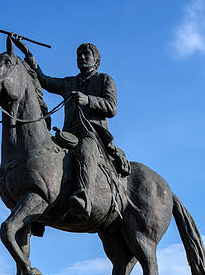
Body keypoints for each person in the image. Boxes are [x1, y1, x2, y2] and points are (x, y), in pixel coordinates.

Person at [11, 37, 124, 219]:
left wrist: (88, 100)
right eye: (79, 54)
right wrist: (27, 53)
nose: (81, 57)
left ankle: (83, 195)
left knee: (85, 150)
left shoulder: (104, 80)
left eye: (86, 54)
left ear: (96, 60)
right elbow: (44, 80)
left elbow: (112, 107)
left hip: (92, 133)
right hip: (68, 133)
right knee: (43, 156)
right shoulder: (69, 82)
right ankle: (38, 209)